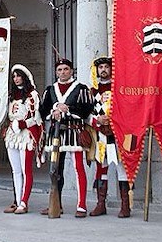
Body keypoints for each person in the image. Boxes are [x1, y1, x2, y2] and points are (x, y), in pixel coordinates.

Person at [39, 58, 94, 218]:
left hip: (74, 132)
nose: (62, 72)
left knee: (78, 167)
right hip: (56, 133)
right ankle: (57, 204)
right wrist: (54, 110)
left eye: (65, 69)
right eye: (59, 70)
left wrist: (67, 109)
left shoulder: (80, 88)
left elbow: (86, 109)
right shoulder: (50, 90)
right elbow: (43, 111)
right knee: (56, 169)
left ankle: (82, 204)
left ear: (71, 71)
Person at [87, 56, 132, 218]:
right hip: (100, 135)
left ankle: (125, 205)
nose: (103, 70)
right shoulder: (92, 91)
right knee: (101, 169)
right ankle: (101, 204)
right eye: (101, 68)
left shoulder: (119, 88)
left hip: (117, 133)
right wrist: (97, 120)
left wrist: (114, 120)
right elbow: (86, 113)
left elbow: (127, 109)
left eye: (106, 67)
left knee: (122, 168)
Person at [2, 64, 43, 214]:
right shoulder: (10, 96)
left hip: (26, 135)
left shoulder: (33, 95)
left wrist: (22, 123)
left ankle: (24, 202)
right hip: (12, 135)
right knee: (15, 170)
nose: (16, 79)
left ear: (24, 77)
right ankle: (17, 200)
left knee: (26, 170)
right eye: (14, 76)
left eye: (18, 76)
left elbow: (37, 118)